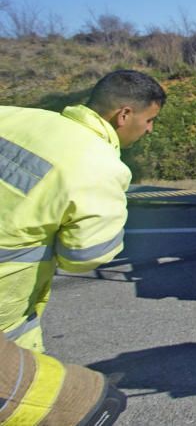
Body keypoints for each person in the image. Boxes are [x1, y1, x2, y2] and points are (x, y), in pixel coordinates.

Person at [0, 69, 166, 425]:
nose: (150, 129)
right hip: (6, 300)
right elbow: (84, 257)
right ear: (124, 115)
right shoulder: (100, 166)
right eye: (149, 119)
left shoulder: (14, 116)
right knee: (23, 397)